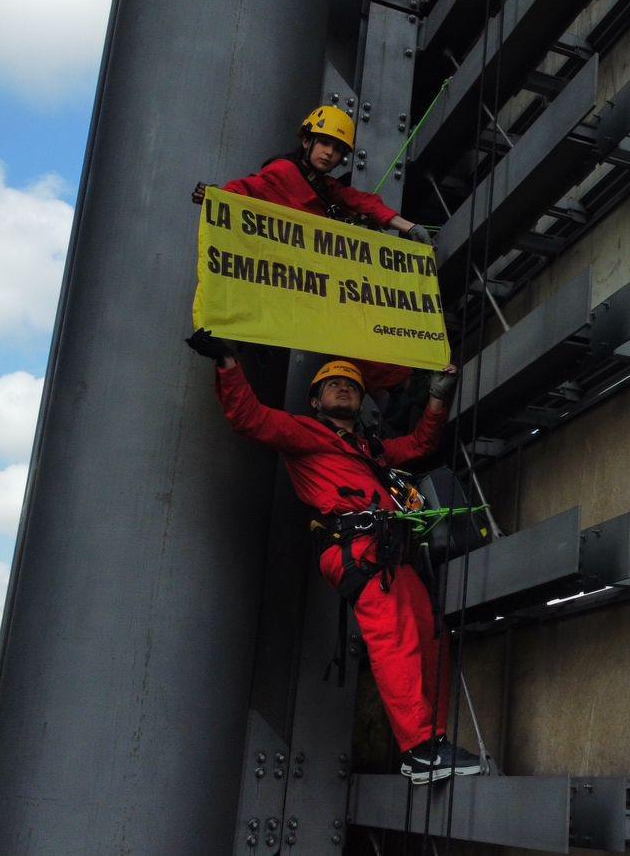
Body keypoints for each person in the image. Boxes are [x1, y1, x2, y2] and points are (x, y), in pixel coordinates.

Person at [185, 328, 478, 783]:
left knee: (430, 638)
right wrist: (226, 361)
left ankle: (431, 742)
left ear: (361, 403)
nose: (343, 388)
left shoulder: (371, 450)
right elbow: (249, 417)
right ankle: (419, 748)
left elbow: (420, 445)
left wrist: (438, 398)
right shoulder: (303, 432)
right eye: (332, 385)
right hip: (359, 550)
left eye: (352, 386)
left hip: (391, 551)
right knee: (395, 639)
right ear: (317, 401)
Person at [194, 105, 434, 392]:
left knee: (354, 328)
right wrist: (216, 197)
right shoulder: (284, 173)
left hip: (310, 281)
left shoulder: (323, 185)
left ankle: (400, 379)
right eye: (324, 143)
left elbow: (359, 201)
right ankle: (401, 380)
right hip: (288, 279)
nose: (329, 153)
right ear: (307, 142)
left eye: (337, 149)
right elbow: (245, 190)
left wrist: (406, 225)